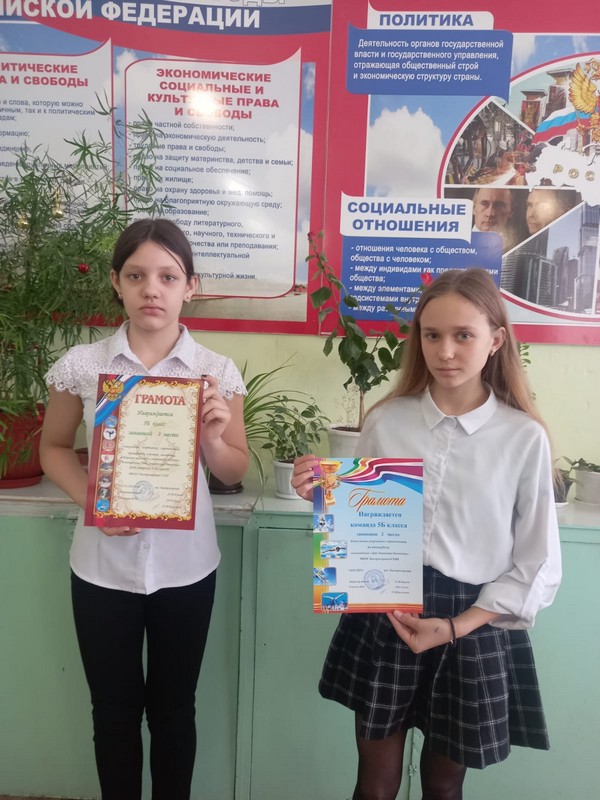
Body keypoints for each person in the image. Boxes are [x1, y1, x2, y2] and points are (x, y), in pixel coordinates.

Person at [292, 268, 561, 800]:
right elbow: (363, 525)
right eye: (432, 334)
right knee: (375, 785)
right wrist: (323, 495)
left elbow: (537, 563)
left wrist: (456, 627)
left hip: (471, 621)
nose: (446, 351)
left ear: (495, 340)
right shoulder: (387, 420)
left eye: (464, 335)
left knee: (443, 785)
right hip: (387, 608)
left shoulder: (523, 438)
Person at [39, 218, 249, 800]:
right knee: (112, 713)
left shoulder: (214, 372)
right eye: (136, 276)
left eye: (168, 277)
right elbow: (52, 449)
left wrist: (212, 439)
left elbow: (234, 468)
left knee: (175, 711)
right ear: (116, 282)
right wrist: (95, 502)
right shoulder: (84, 365)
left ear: (190, 287)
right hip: (101, 568)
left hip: (187, 569)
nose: (151, 289)